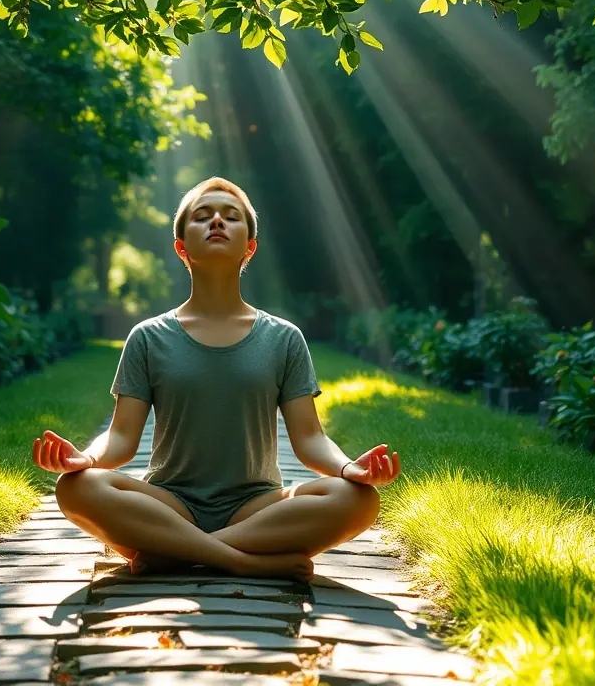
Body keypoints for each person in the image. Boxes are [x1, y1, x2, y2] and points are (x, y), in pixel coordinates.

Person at [32, 177, 401, 580]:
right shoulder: (148, 337)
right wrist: (85, 459)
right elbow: (120, 437)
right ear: (181, 248)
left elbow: (310, 439)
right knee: (75, 487)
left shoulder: (284, 338)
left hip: (257, 507)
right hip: (168, 503)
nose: (217, 222)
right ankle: (242, 559)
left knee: (359, 500)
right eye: (203, 216)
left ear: (250, 248)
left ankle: (170, 552)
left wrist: (348, 469)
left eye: (231, 217)